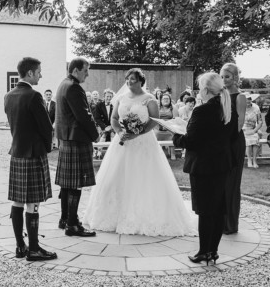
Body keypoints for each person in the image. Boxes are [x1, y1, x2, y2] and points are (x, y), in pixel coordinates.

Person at [84, 68, 197, 236]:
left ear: (140, 81)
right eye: (128, 79)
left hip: (143, 142)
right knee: (115, 176)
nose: (129, 82)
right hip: (122, 142)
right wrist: (121, 132)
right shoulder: (121, 98)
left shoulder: (149, 99)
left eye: (133, 79)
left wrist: (138, 131)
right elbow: (114, 119)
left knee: (143, 177)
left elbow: (154, 121)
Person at [172, 72, 233, 264]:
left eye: (200, 88)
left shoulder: (202, 111)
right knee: (218, 208)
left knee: (205, 211)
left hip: (203, 167)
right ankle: (213, 250)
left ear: (205, 90)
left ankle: (204, 251)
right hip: (221, 164)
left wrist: (176, 134)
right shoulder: (227, 108)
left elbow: (190, 141)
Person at [3, 57, 57, 261]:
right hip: (33, 154)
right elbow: (46, 128)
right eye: (39, 72)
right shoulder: (34, 96)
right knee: (33, 203)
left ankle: (20, 247)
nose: (41, 75)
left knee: (17, 202)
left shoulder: (8, 96)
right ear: (30, 73)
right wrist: (46, 148)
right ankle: (34, 249)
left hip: (17, 152)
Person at [54, 57, 98, 236]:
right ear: (76, 70)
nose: (87, 74)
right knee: (75, 184)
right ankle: (72, 224)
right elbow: (83, 116)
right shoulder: (74, 88)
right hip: (76, 140)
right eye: (85, 70)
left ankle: (65, 218)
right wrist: (95, 134)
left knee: (67, 184)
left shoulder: (63, 84)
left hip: (66, 139)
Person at [220, 63, 246, 235]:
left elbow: (240, 122)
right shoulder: (220, 95)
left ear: (235, 77)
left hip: (234, 142)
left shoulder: (240, 97)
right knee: (220, 183)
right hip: (220, 142)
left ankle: (230, 224)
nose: (223, 80)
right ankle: (219, 221)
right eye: (221, 77)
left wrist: (226, 139)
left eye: (227, 77)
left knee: (231, 183)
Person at [242, 93, 263, 168]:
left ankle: (254, 160)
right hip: (243, 129)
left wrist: (255, 130)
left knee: (255, 139)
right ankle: (249, 160)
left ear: (251, 100)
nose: (247, 101)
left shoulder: (256, 107)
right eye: (246, 100)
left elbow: (260, 121)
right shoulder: (241, 107)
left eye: (249, 99)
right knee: (248, 141)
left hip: (253, 129)